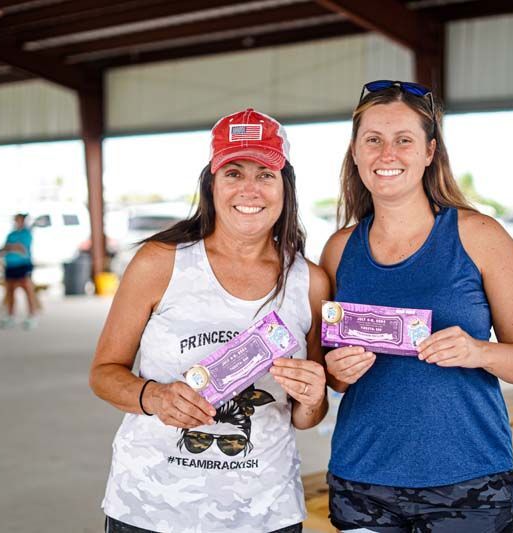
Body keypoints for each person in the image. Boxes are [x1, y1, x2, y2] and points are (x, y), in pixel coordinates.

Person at [319, 80, 513, 532]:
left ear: (429, 152)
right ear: (356, 153)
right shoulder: (338, 249)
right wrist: (336, 373)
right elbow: (329, 376)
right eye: (373, 140)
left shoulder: (480, 236)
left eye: (404, 140)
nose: (388, 154)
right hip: (362, 482)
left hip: (469, 482)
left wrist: (478, 352)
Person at [89, 108, 330, 533]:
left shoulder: (308, 281)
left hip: (264, 513)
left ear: (285, 187)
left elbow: (304, 417)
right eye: (233, 173)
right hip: (151, 508)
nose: (249, 189)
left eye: (265, 174)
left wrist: (313, 397)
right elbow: (104, 374)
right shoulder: (160, 263)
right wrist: (155, 396)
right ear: (211, 184)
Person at [0, 213, 37, 329]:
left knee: (27, 289)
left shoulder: (26, 234)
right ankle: (10, 315)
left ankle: (32, 315)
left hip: (23, 265)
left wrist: (11, 247)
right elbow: (6, 247)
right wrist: (13, 247)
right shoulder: (11, 234)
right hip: (10, 265)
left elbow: (21, 248)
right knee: (10, 291)